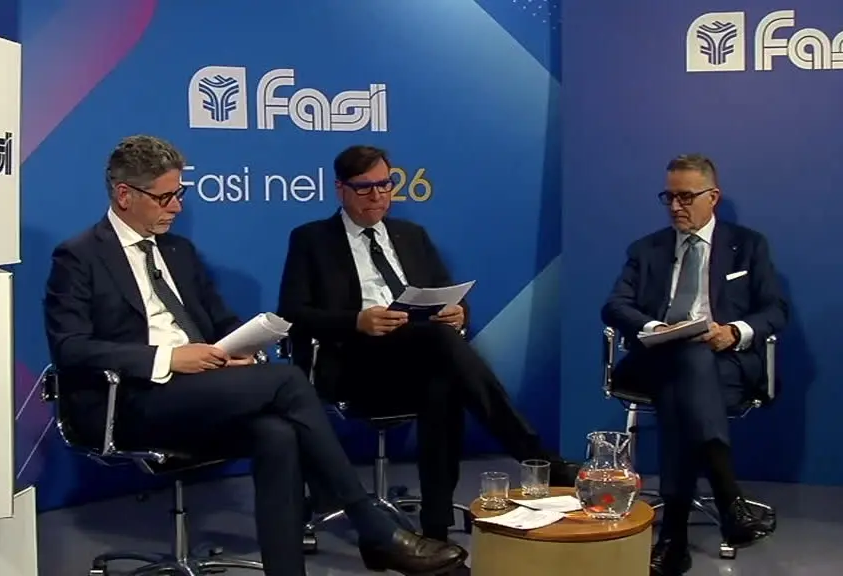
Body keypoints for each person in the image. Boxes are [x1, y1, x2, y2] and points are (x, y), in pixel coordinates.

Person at [43, 135, 467, 576]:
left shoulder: (178, 251)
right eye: (165, 197)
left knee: (276, 434)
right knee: (287, 380)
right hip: (131, 399)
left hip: (199, 389)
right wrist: (168, 359)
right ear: (124, 194)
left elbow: (220, 321)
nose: (177, 207)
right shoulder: (79, 256)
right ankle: (373, 529)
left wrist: (240, 347)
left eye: (180, 194)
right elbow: (70, 347)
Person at [277, 144, 580, 544]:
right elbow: (292, 313)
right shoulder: (312, 239)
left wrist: (458, 314)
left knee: (444, 380)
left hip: (417, 356)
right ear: (341, 189)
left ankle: (436, 529)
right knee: (441, 350)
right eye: (364, 187)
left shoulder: (411, 235)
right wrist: (356, 321)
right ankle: (536, 456)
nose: (377, 196)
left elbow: (445, 292)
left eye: (385, 185)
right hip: (352, 362)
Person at [601, 154, 786, 575]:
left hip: (725, 364)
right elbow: (615, 305)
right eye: (668, 197)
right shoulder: (646, 249)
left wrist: (734, 331)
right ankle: (728, 499)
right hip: (654, 360)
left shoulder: (748, 245)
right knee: (684, 357)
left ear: (712, 197)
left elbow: (776, 309)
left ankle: (674, 538)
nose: (675, 206)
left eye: (685, 197)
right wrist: (656, 327)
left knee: (682, 385)